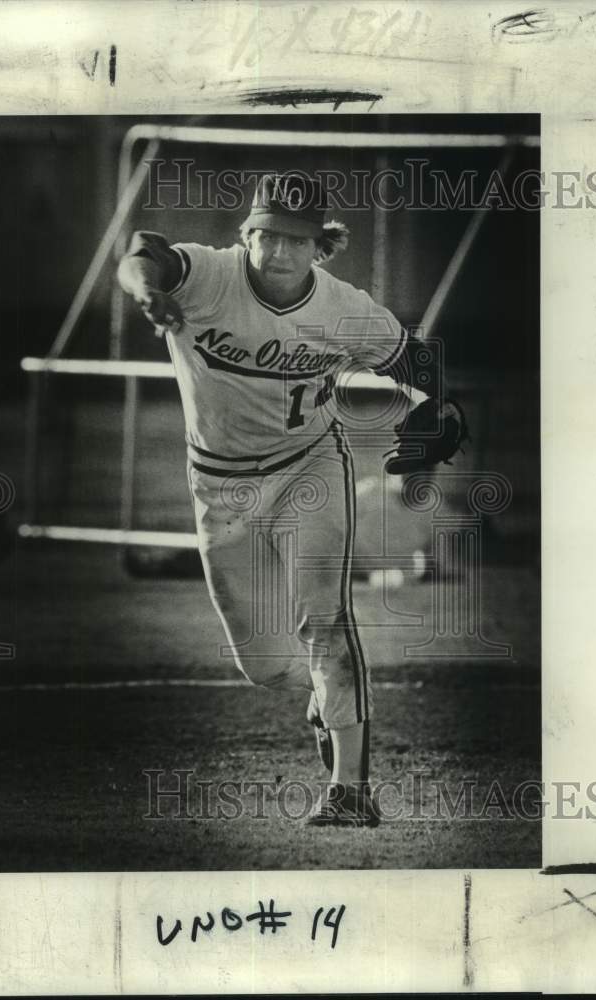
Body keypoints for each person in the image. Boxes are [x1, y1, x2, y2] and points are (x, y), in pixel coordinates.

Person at [118, 172, 426, 827]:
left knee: (326, 620)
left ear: (321, 245)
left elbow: (414, 361)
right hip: (219, 484)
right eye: (267, 236)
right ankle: (320, 695)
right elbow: (143, 250)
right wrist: (146, 290)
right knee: (259, 665)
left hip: (308, 471)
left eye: (297, 239)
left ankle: (351, 791)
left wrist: (432, 421)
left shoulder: (343, 307)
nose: (280, 252)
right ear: (246, 235)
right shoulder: (206, 276)